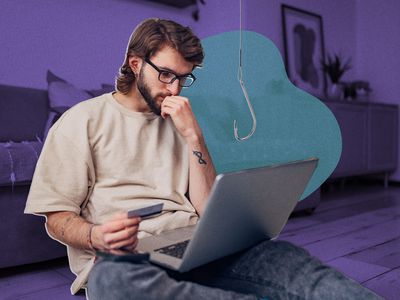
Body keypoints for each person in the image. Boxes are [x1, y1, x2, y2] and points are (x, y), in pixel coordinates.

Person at [25, 18, 382, 300]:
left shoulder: (186, 122)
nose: (175, 88)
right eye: (166, 74)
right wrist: (94, 236)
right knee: (116, 282)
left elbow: (207, 207)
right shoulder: (81, 121)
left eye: (184, 78)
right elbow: (57, 219)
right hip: (124, 259)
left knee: (288, 260)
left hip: (195, 246)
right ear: (135, 64)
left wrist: (194, 136)